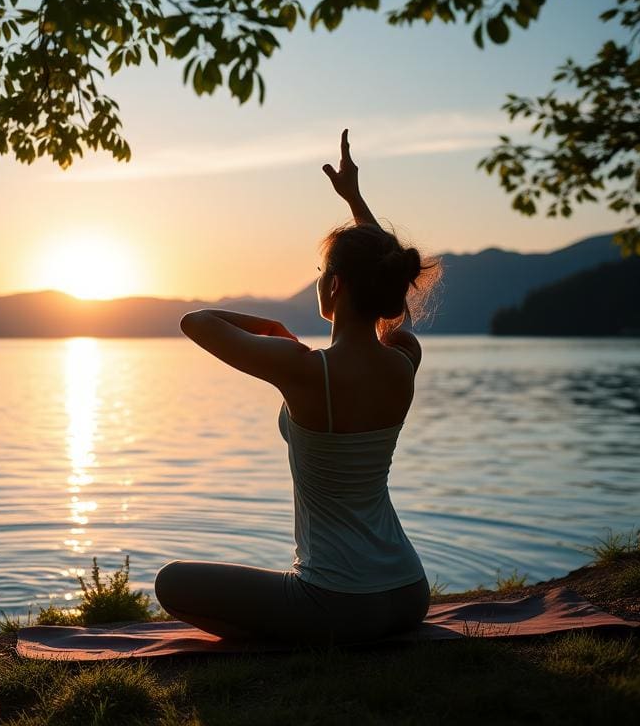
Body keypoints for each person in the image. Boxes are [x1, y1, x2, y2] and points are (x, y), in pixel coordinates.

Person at [154, 129, 439, 645]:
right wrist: (355, 202)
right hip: (408, 593)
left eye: (321, 271)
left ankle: (285, 641)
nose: (317, 279)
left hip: (336, 604)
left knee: (171, 582)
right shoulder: (404, 360)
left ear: (334, 285)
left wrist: (269, 329)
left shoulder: (305, 370)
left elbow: (195, 321)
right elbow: (381, 280)